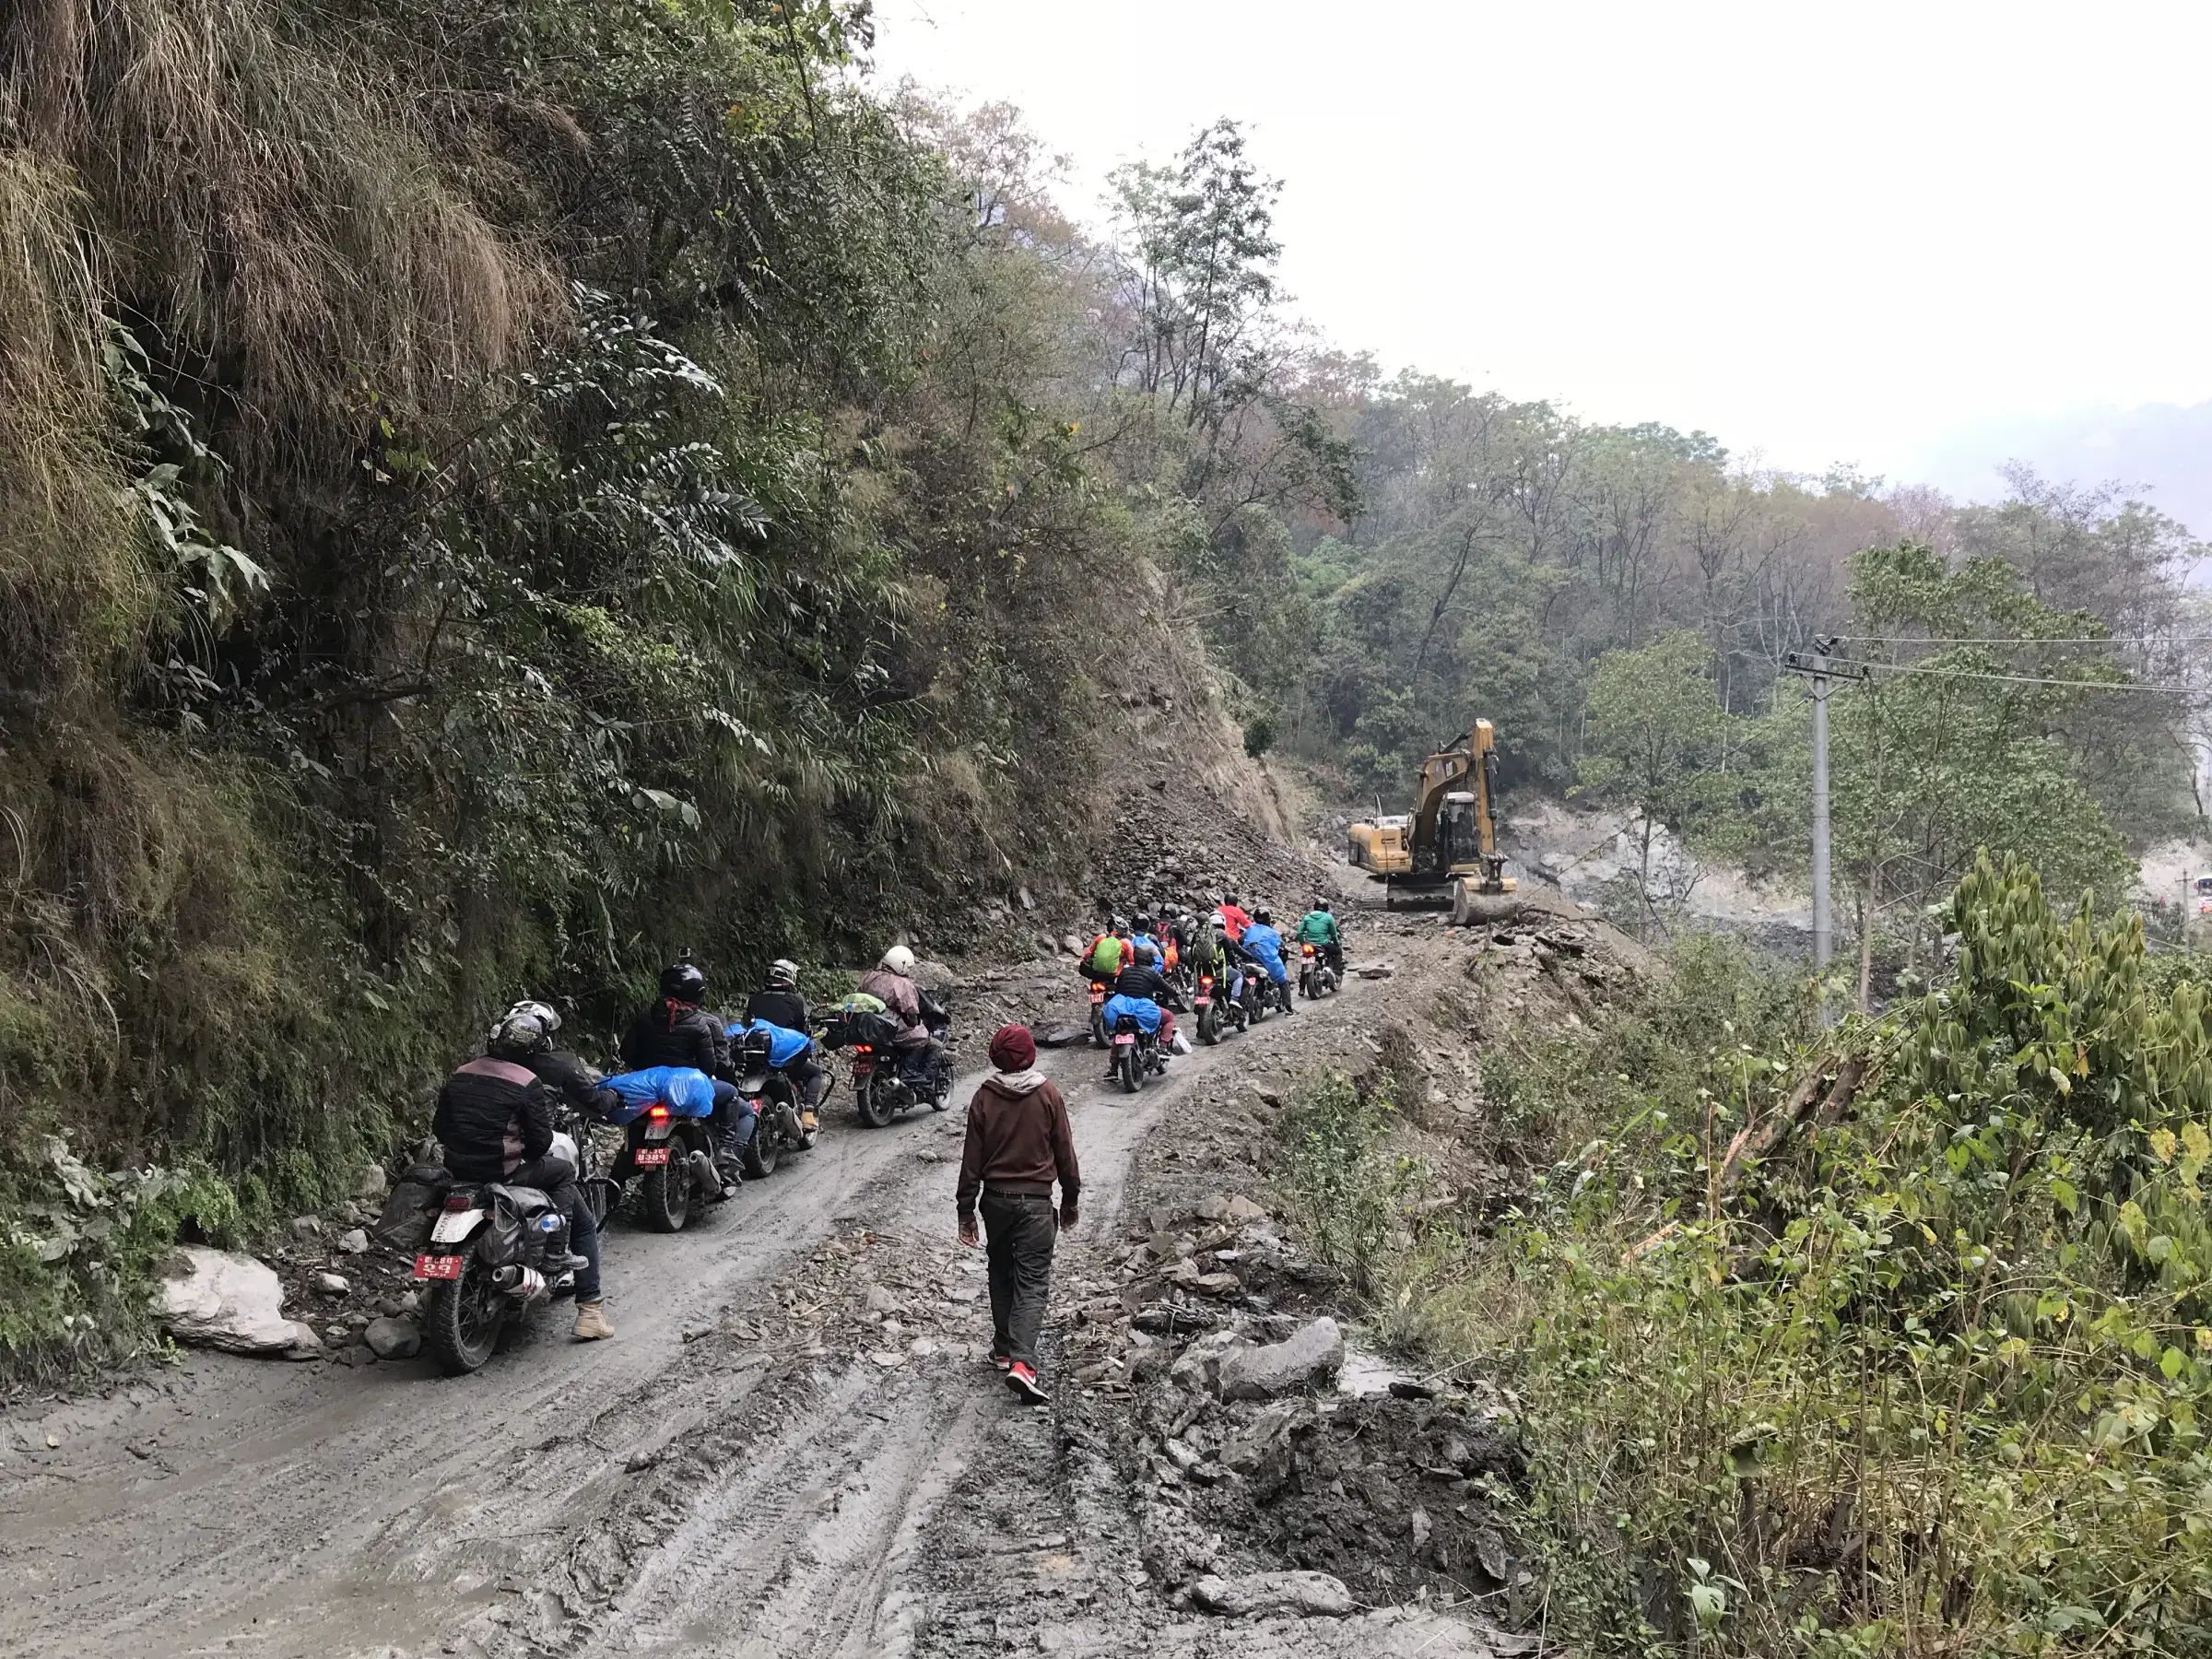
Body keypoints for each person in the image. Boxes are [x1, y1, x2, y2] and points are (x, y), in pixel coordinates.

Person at [435, 1012, 611, 1341]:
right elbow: (541, 1143)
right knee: (564, 1175)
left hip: (458, 1171)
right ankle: (567, 1271)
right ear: (536, 1049)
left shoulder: (460, 1074)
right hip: (503, 1174)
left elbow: (440, 1129)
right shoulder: (525, 1082)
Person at [957, 1024, 1079, 1404]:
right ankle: (1023, 1363)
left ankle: (1004, 1348)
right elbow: (1065, 1154)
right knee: (1033, 1281)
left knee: (1000, 1269)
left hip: (995, 1203)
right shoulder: (1048, 1094)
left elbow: (971, 1161)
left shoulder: (984, 1098)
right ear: (1031, 1055)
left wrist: (966, 1211)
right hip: (1037, 1205)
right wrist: (1071, 1200)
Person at [622, 962, 753, 1190]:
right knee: (731, 1094)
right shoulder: (699, 1024)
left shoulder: (644, 1019)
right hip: (687, 1090)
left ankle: (616, 1183)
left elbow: (627, 1054)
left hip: (649, 1089)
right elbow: (709, 1067)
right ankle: (725, 1151)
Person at [492, 1000, 621, 1120]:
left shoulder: (480, 1066)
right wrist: (611, 1095)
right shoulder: (556, 1068)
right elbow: (595, 1102)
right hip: (528, 1139)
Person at [744, 960, 823, 1132]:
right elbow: (802, 1031)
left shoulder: (754, 999)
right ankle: (808, 1114)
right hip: (784, 1057)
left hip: (757, 1056)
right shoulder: (795, 1000)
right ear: (789, 978)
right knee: (816, 1073)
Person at [856, 945, 949, 1086]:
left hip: (869, 1026)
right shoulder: (902, 984)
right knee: (924, 1037)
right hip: (893, 1029)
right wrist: (915, 1021)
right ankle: (909, 1072)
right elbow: (911, 1013)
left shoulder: (869, 977)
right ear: (902, 965)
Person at [1101, 940, 1184, 1071]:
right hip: (1143, 1009)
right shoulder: (1152, 973)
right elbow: (1166, 988)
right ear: (1148, 958)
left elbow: (1119, 991)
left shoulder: (1124, 972)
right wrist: (1175, 993)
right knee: (1169, 1018)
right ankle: (1163, 1048)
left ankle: (1112, 1069)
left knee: (1119, 1033)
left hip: (1122, 1008)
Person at [1241, 906, 1294, 1014]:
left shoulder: (1250, 929)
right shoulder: (1271, 932)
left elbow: (1242, 939)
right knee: (1282, 979)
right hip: (1267, 959)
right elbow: (1278, 945)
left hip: (1250, 958)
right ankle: (1289, 1008)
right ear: (1268, 920)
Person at [1293, 897, 1345, 977]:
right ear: (1326, 908)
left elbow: (1299, 932)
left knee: (1305, 963)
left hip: (1309, 945)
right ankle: (1335, 972)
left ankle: (1302, 989)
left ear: (1315, 907)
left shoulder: (1307, 917)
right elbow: (1334, 934)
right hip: (1323, 944)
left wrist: (1303, 944)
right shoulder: (1328, 917)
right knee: (1338, 952)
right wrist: (1336, 943)